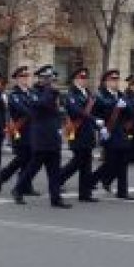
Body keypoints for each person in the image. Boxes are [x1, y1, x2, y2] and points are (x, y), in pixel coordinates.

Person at [11, 65, 71, 209]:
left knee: (54, 170)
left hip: (53, 135)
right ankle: (18, 189)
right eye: (47, 78)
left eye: (51, 78)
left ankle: (55, 198)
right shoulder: (35, 92)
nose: (51, 81)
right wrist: (50, 90)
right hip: (41, 136)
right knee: (33, 168)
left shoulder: (54, 92)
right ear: (41, 79)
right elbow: (41, 104)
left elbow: (60, 110)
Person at [55, 67, 99, 202]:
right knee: (77, 161)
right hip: (77, 132)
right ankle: (57, 179)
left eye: (85, 78)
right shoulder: (71, 94)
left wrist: (97, 123)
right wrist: (93, 119)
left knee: (86, 163)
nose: (84, 80)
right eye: (81, 77)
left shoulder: (88, 93)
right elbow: (76, 111)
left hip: (88, 132)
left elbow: (94, 110)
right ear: (75, 80)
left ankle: (85, 194)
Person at [91, 69, 134, 200]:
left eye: (117, 79)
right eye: (113, 79)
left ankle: (122, 191)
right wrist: (99, 128)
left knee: (123, 161)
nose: (116, 82)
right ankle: (91, 180)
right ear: (106, 82)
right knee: (110, 163)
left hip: (120, 132)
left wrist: (126, 106)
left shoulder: (121, 95)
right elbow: (93, 114)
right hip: (108, 132)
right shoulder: (100, 95)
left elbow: (130, 113)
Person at [0, 66, 33, 193]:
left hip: (32, 130)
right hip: (20, 131)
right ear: (17, 79)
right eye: (22, 76)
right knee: (22, 158)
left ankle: (25, 186)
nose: (25, 79)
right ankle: (3, 175)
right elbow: (24, 110)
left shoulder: (31, 93)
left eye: (27, 76)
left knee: (29, 159)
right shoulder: (14, 95)